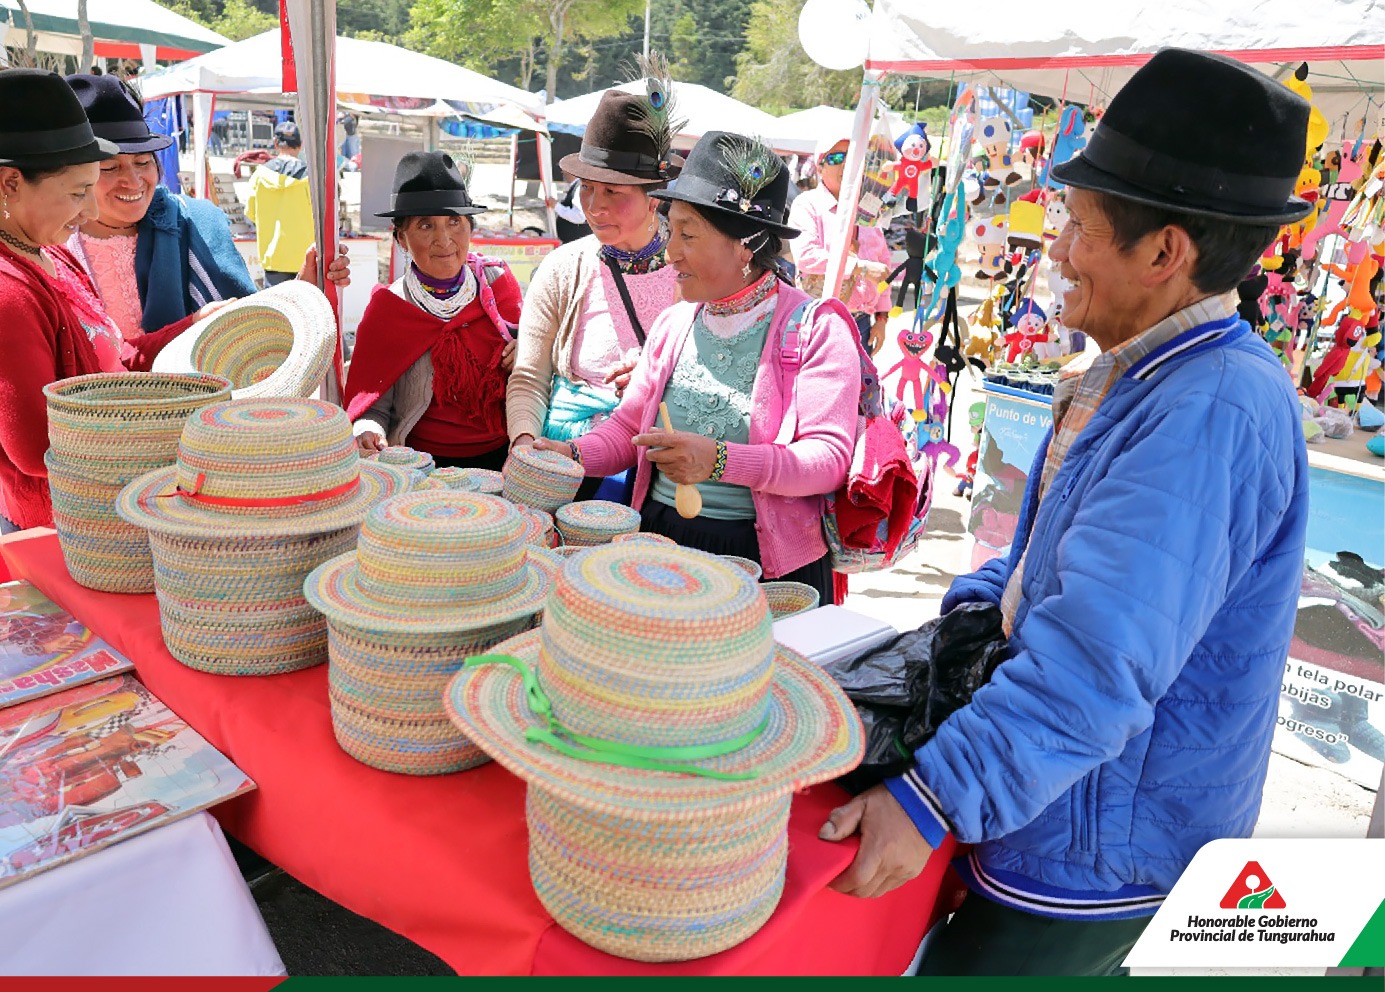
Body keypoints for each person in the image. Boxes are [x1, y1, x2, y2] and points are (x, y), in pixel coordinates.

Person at [818, 49, 1313, 976]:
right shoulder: (1135, 373)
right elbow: (1043, 569)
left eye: (1079, 227)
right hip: (1065, 807)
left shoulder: (1208, 408)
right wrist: (970, 614)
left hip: (1102, 851)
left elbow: (1096, 659)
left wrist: (932, 797)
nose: (1055, 250)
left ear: (1163, 254)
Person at [531, 132, 860, 603]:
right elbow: (630, 428)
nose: (671, 253)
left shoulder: (816, 330)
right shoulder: (676, 323)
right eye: (672, 232)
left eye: (687, 235)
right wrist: (573, 455)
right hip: (662, 549)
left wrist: (720, 460)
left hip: (763, 566)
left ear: (746, 244)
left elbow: (827, 459)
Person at [0, 69, 229, 534]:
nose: (89, 211)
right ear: (10, 183)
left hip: (103, 509)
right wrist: (174, 432)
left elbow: (111, 358)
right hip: (69, 529)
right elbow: (41, 448)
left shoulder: (42, 250)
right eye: (78, 193)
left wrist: (193, 325)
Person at [63, 73, 349, 338]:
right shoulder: (56, 246)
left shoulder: (197, 223)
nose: (133, 181)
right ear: (77, 173)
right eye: (110, 167)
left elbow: (248, 327)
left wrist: (304, 287)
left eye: (142, 162)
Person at [506, 84, 683, 500]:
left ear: (654, 198)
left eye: (612, 192)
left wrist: (656, 382)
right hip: (563, 465)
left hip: (657, 465)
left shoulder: (691, 273)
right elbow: (529, 376)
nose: (593, 205)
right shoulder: (563, 267)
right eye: (587, 186)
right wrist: (525, 442)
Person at [344, 152, 521, 472]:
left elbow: (537, 370)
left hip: (504, 461)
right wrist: (369, 431)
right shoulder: (389, 310)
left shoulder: (498, 288)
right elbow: (371, 406)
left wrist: (528, 354)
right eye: (426, 225)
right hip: (421, 467)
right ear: (401, 238)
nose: (444, 239)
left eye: (454, 222)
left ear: (470, 227)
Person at [788, 126, 892, 354]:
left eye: (852, 157)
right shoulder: (808, 204)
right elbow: (807, 257)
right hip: (821, 319)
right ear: (820, 167)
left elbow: (883, 263)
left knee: (860, 379)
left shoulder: (868, 207)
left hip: (863, 322)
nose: (845, 164)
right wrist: (861, 267)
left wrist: (882, 317)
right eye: (835, 158)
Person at [246, 120, 311, 285]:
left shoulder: (260, 175)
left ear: (275, 143)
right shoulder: (311, 177)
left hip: (273, 257)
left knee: (276, 302)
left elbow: (251, 213)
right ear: (301, 145)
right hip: (307, 260)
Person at [553, 172, 589, 244]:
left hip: (577, 242)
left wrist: (556, 206)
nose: (562, 172)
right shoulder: (577, 186)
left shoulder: (579, 187)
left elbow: (579, 216)